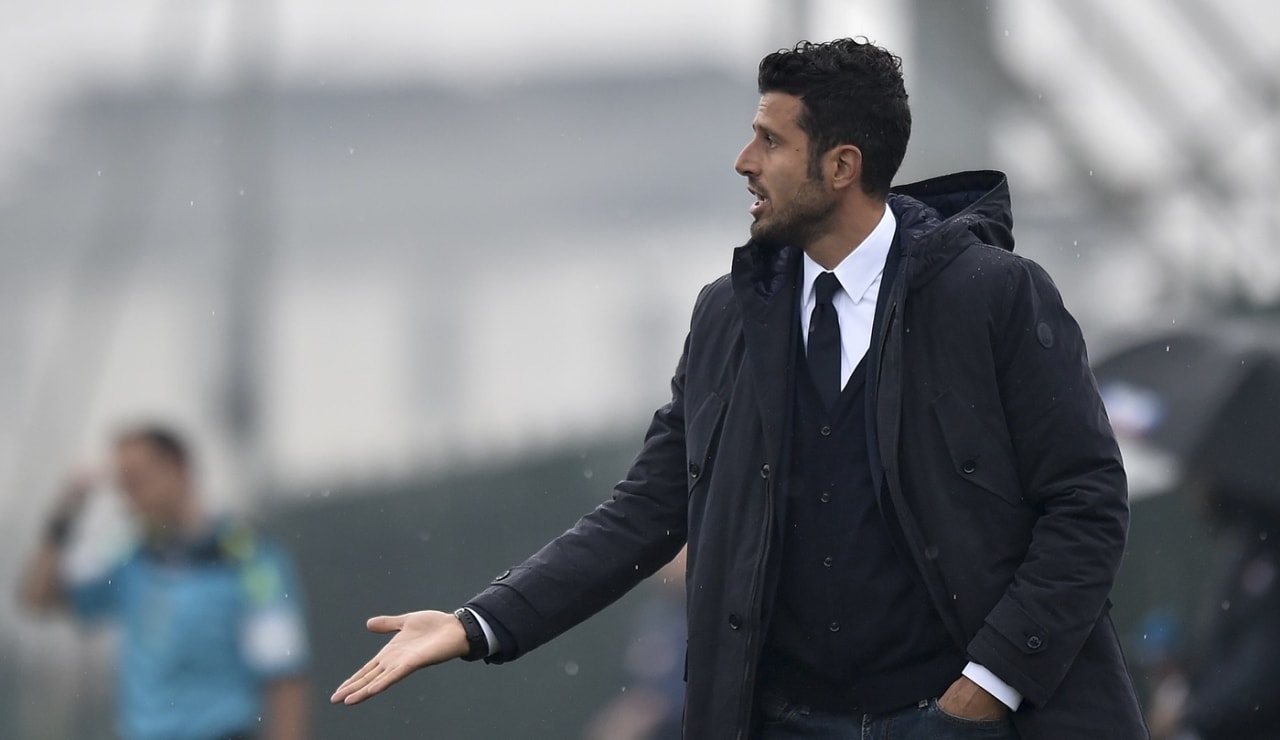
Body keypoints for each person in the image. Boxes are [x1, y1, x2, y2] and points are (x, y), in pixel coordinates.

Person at [331, 38, 1146, 739]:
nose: (744, 161)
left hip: (959, 722)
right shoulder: (726, 316)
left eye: (770, 141)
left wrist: (983, 690)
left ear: (842, 166)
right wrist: (479, 623)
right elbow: (644, 512)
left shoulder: (994, 296)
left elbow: (1087, 503)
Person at [19, 424, 311, 740]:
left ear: (177, 468)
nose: (128, 500)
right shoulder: (127, 557)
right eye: (122, 486)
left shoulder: (249, 559)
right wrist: (67, 509)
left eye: (137, 481)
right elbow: (38, 597)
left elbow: (285, 677)